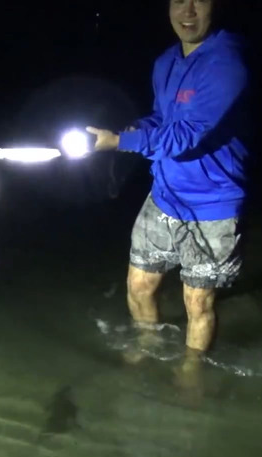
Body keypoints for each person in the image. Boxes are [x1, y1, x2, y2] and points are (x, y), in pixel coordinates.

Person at [86, 0, 250, 389]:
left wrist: (120, 143)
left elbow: (186, 135)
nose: (187, 11)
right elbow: (164, 119)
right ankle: (147, 344)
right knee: (139, 285)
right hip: (164, 193)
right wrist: (135, 128)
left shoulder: (227, 63)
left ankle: (191, 373)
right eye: (179, 0)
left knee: (198, 302)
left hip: (212, 203)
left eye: (198, 0)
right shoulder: (166, 62)